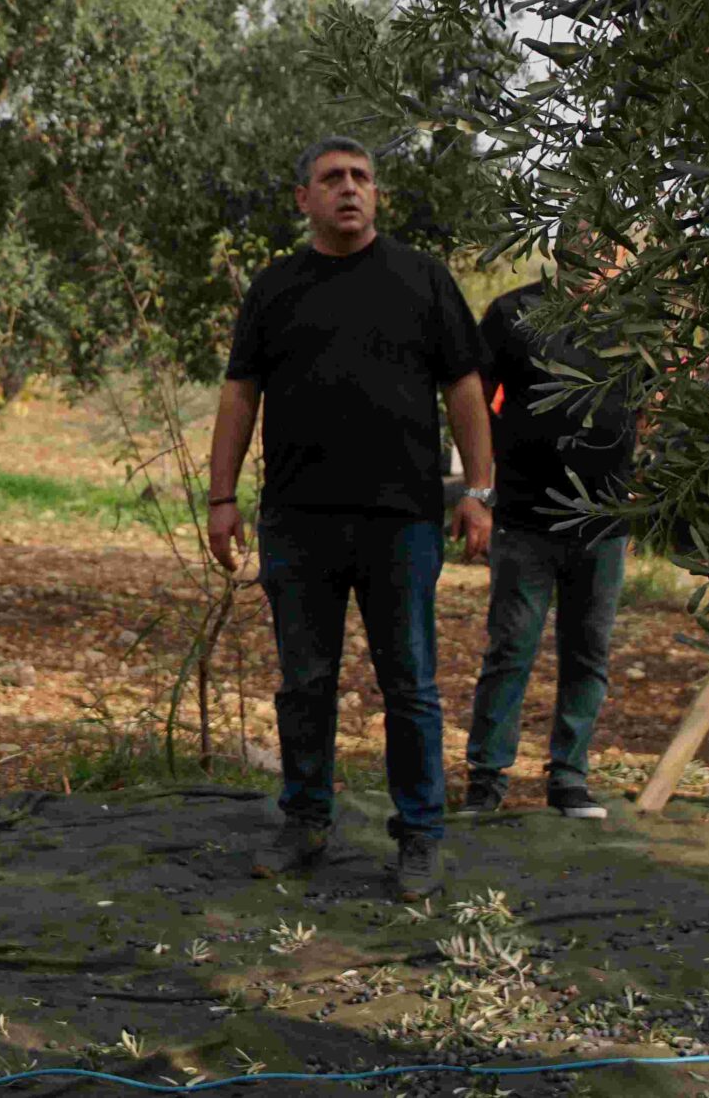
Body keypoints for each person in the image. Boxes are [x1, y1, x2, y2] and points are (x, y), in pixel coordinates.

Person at [205, 136, 493, 901]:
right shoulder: (275, 288)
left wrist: (480, 490)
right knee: (305, 683)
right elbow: (240, 393)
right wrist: (221, 496)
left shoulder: (422, 280)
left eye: (362, 177)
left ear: (377, 194)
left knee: (412, 684)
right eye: (332, 178)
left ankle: (421, 836)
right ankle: (304, 820)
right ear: (303, 198)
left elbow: (465, 387)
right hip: (298, 521)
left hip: (402, 520)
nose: (350, 189)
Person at [459, 270, 639, 819]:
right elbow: (472, 401)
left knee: (588, 652)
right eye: (583, 231)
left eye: (608, 241)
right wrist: (477, 492)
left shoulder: (636, 322)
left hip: (604, 524)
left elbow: (651, 408)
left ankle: (569, 779)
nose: (596, 250)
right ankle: (487, 780)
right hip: (525, 517)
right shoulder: (513, 313)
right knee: (510, 650)